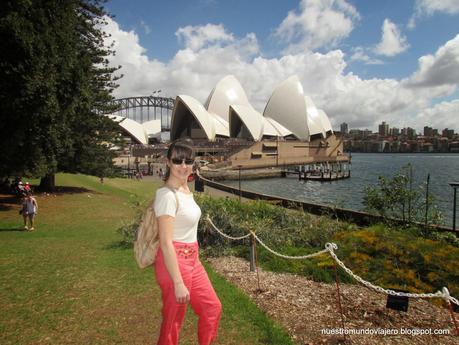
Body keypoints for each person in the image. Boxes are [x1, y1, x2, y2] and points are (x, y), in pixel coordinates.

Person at [154, 139, 221, 345]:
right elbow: (165, 242)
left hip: (193, 259)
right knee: (173, 321)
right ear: (168, 162)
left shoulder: (185, 190)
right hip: (174, 262)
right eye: (177, 161)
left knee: (212, 307)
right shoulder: (166, 195)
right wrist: (178, 283)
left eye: (188, 161)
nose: (183, 166)